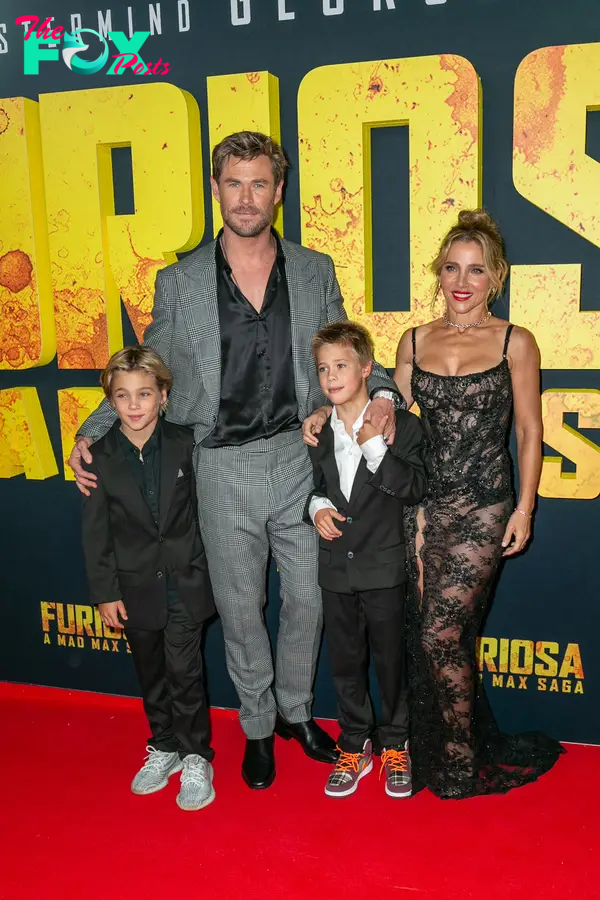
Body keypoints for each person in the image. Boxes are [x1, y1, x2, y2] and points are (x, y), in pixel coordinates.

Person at [68, 131, 402, 790]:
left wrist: (384, 390)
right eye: (233, 182)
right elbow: (150, 362)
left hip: (299, 458)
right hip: (218, 466)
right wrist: (93, 427)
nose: (246, 197)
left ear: (279, 191)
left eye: (259, 183)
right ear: (216, 188)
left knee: (309, 598)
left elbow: (349, 348)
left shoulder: (313, 269)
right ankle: (256, 726)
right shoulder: (181, 280)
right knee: (242, 608)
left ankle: (296, 713)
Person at [304, 209, 564, 799]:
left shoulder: (515, 342)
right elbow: (382, 396)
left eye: (475, 269)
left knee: (444, 633)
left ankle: (457, 756)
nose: (462, 280)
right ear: (438, 275)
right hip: (418, 501)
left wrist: (525, 508)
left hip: (482, 506)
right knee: (419, 630)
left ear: (495, 276)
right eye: (451, 268)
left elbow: (528, 430)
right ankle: (419, 744)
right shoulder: (414, 340)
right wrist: (327, 411)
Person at [81, 347, 215, 811]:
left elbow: (207, 512)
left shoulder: (187, 442)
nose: (134, 405)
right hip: (133, 585)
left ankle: (197, 754)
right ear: (111, 401)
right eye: (123, 396)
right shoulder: (98, 457)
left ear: (162, 396)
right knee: (151, 672)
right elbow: (96, 532)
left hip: (187, 579)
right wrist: (104, 593)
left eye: (144, 394)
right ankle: (164, 746)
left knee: (185, 669)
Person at [304, 322, 426, 798]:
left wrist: (375, 446)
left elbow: (416, 487)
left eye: (341, 366)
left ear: (366, 369)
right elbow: (317, 488)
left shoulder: (403, 426)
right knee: (345, 662)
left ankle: (396, 743)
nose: (331, 377)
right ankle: (354, 743)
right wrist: (316, 509)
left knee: (390, 660)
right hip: (335, 567)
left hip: (383, 566)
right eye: (323, 369)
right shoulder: (318, 430)